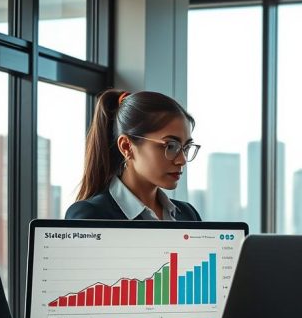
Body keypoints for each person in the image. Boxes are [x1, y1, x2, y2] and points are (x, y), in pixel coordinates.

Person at [66, 89, 202, 221]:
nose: (182, 160)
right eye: (171, 146)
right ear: (126, 146)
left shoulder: (188, 215)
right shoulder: (91, 216)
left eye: (186, 147)